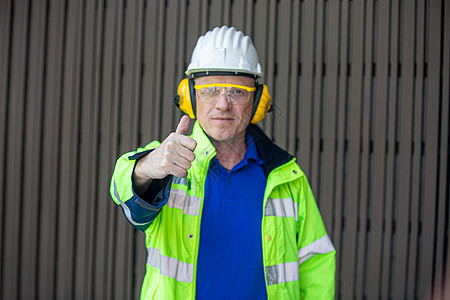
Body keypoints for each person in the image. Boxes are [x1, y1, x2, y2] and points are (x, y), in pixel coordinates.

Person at [110, 25, 336, 300]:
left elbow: (316, 263)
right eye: (209, 90)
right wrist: (145, 168)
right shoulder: (167, 164)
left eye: (238, 92)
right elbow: (125, 194)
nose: (223, 104)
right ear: (190, 97)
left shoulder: (287, 176)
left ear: (258, 101)